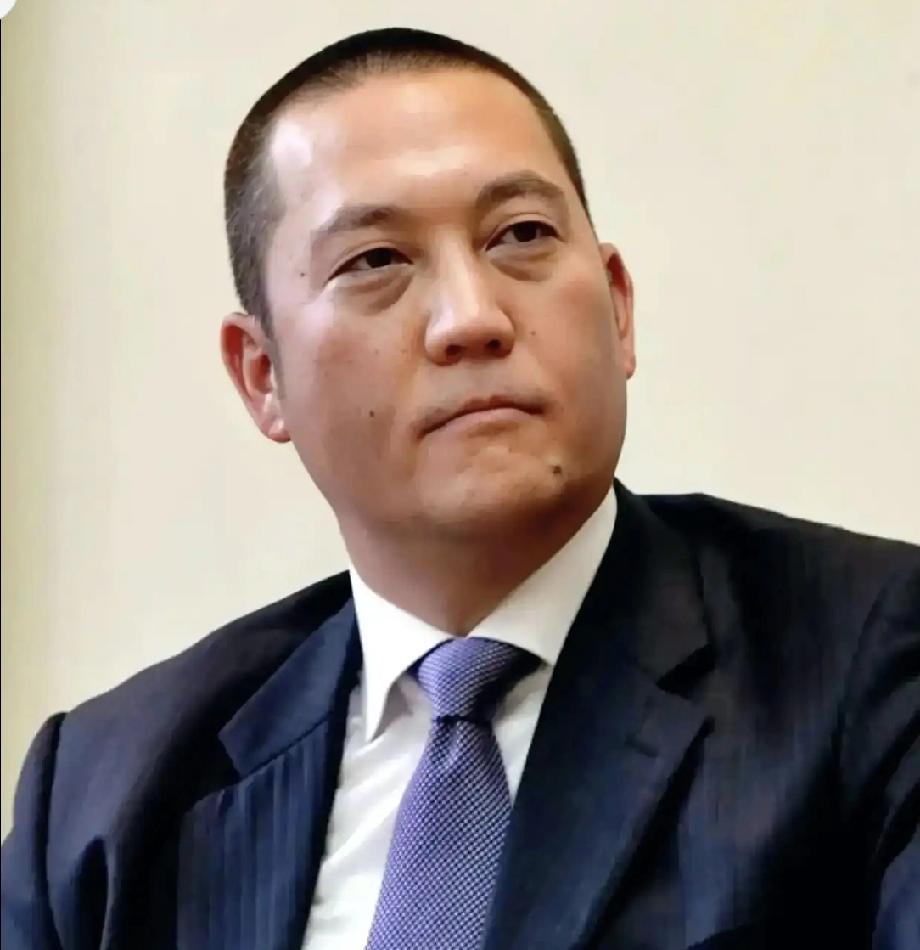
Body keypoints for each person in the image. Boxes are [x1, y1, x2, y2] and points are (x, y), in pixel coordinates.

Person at [2, 25, 918, 950]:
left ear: (618, 308)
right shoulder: (105, 796)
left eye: (521, 236)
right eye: (376, 261)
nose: (472, 319)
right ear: (262, 374)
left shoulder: (866, 660)